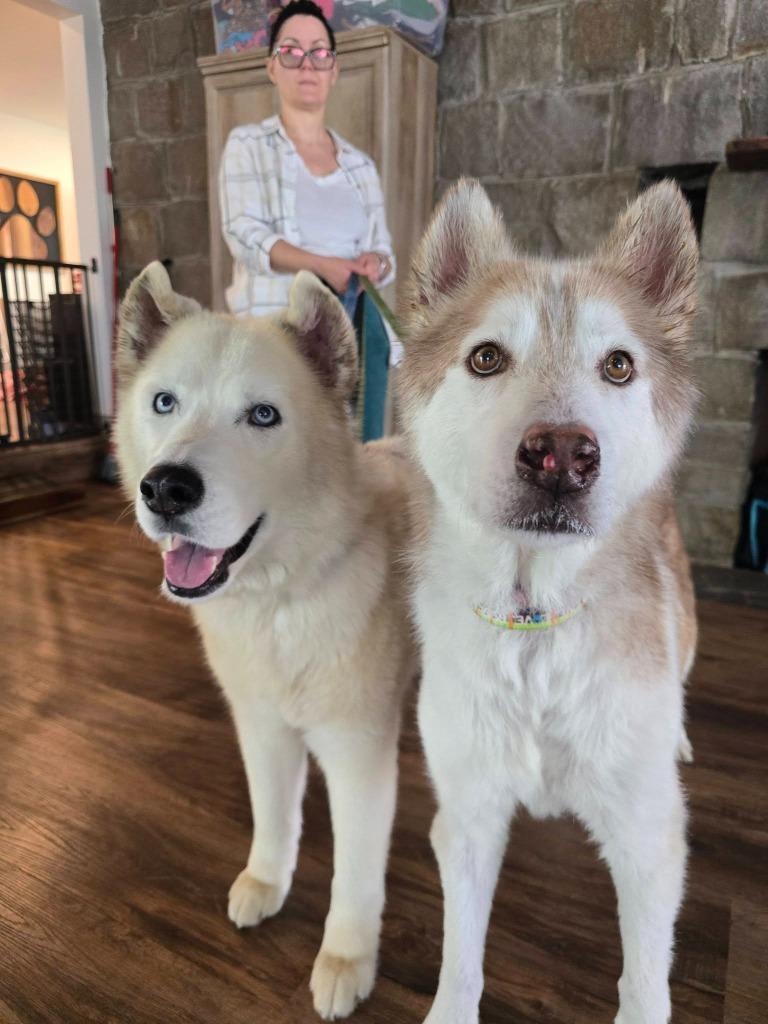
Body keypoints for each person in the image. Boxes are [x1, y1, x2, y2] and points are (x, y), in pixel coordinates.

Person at [218, 0, 395, 323]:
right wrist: (320, 265)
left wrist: (377, 263)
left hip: (354, 323)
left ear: (334, 70)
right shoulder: (247, 145)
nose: (307, 64)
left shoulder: (361, 166)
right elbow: (244, 236)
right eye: (291, 51)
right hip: (276, 328)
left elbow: (384, 250)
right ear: (272, 67)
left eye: (319, 52)